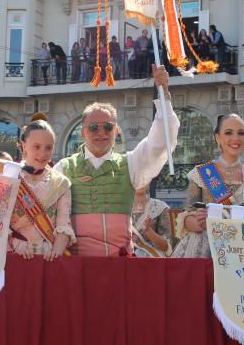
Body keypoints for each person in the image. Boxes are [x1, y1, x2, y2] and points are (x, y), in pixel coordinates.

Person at [55, 65, 180, 256]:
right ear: (82, 132)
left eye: (108, 127)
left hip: (119, 264)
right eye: (94, 128)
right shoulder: (64, 168)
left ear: (117, 131)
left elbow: (160, 144)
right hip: (77, 264)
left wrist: (164, 93)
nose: (101, 132)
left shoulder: (130, 164)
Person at [171, 114, 244, 258]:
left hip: (242, 250)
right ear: (218, 138)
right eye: (228, 133)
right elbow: (187, 215)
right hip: (204, 248)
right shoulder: (202, 173)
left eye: (240, 133)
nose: (235, 138)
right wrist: (197, 222)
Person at [9, 114, 74, 259]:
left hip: (47, 258)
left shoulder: (61, 183)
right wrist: (15, 244)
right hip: (13, 256)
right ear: (24, 145)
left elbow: (64, 225)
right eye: (36, 147)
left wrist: (56, 252)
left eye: (48, 148)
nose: (42, 154)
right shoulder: (8, 176)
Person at [131, 186, 173, 258]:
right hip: (124, 260)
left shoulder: (160, 207)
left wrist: (149, 231)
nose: (141, 182)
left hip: (152, 260)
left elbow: (166, 247)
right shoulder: (119, 208)